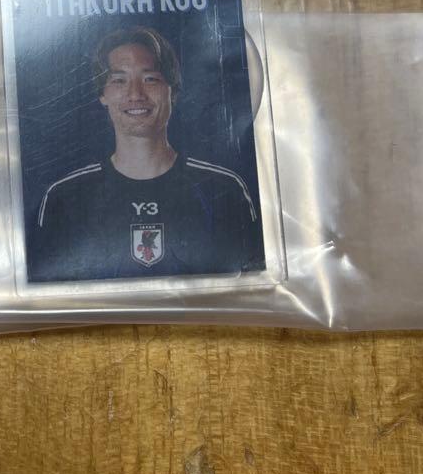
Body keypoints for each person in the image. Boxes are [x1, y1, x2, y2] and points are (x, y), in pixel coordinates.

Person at [29, 26, 264, 282]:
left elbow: (251, 286)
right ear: (102, 95)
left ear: (172, 90)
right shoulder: (64, 198)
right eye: (119, 80)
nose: (135, 94)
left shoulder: (224, 190)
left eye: (150, 79)